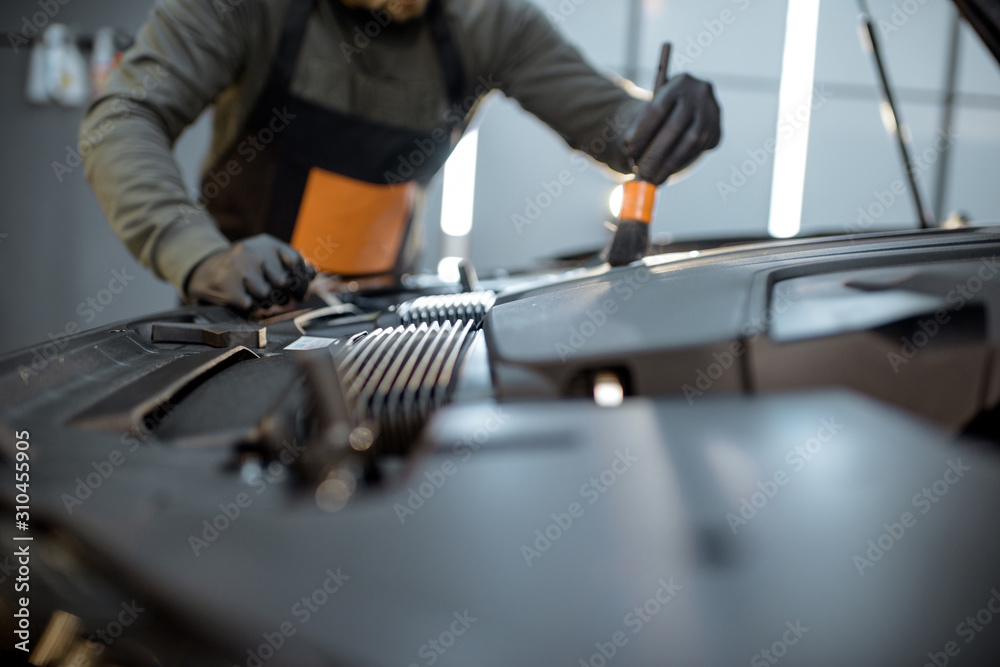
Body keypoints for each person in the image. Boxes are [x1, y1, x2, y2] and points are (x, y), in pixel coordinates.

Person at [81, 0, 721, 311]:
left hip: (385, 323)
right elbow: (124, 116)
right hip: (236, 320)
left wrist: (664, 120)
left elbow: (615, 128)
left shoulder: (489, 21)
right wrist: (201, 257)